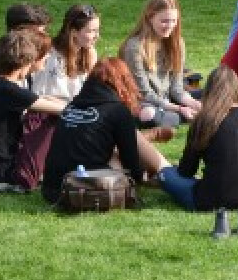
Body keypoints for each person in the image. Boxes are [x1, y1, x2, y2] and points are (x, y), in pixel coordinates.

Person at [159, 66, 238, 238]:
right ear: (237, 88)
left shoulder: (204, 120)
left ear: (209, 91)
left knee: (165, 174)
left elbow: (186, 171)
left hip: (209, 197)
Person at [42, 57, 174, 204]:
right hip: (89, 187)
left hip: (52, 190)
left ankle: (162, 167)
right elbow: (130, 158)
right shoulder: (116, 110)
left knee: (103, 148)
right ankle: (168, 173)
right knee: (120, 151)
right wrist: (138, 180)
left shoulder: (71, 106)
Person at [0, 29, 66, 192]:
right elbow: (61, 110)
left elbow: (40, 99)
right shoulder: (9, 91)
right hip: (4, 174)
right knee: (46, 117)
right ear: (25, 63)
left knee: (40, 113)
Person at [120, 0, 203, 129]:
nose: (170, 26)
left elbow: (176, 88)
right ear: (150, 17)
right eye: (164, 21)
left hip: (167, 98)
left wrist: (192, 103)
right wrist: (179, 109)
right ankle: (189, 116)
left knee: (212, 93)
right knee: (148, 115)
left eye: (173, 21)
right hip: (144, 102)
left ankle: (192, 113)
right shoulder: (134, 47)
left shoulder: (178, 43)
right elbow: (143, 93)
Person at [32, 4, 100, 101]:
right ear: (74, 32)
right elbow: (41, 95)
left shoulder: (90, 53)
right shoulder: (49, 55)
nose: (97, 36)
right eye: (91, 31)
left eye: (97, 30)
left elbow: (92, 91)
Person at [0, 2, 50, 79]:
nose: (44, 37)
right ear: (19, 32)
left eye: (44, 31)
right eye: (38, 33)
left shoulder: (22, 57)